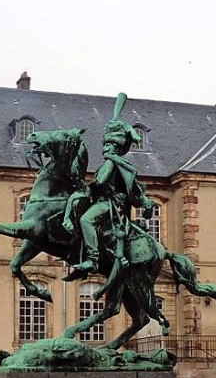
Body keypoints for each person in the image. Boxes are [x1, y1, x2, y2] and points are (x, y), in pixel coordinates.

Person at [65, 118, 155, 279]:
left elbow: (99, 182)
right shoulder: (111, 162)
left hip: (108, 205)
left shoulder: (111, 163)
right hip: (101, 201)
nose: (104, 148)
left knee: (86, 220)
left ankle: (92, 259)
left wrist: (81, 184)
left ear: (115, 148)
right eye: (105, 145)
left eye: (108, 146)